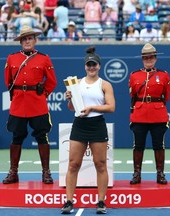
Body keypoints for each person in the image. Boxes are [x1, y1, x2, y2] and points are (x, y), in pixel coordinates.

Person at [61, 47, 115, 214]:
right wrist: (69, 100)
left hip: (97, 124)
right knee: (73, 164)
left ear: (99, 66)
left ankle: (101, 202)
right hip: (80, 124)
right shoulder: (76, 84)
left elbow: (111, 107)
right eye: (88, 65)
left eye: (94, 65)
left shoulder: (105, 84)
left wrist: (92, 108)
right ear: (85, 66)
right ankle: (69, 201)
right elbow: (72, 108)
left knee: (100, 164)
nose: (91, 67)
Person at [3, 25, 57, 185]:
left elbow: (52, 81)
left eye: (30, 38)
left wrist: (42, 94)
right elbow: (8, 81)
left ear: (35, 40)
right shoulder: (12, 58)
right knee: (16, 137)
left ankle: (46, 172)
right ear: (20, 42)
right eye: (24, 39)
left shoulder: (43, 58)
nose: (27, 41)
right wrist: (17, 95)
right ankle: (13, 172)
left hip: (37, 103)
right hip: (19, 103)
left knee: (42, 136)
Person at [129, 43, 170, 185]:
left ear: (155, 58)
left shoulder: (164, 75)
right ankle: (137, 173)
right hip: (139, 114)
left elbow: (167, 96)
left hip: (158, 114)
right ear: (142, 59)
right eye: (146, 57)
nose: (148, 60)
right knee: (138, 145)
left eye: (151, 57)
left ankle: (160, 174)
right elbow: (133, 95)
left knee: (159, 145)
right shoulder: (134, 75)